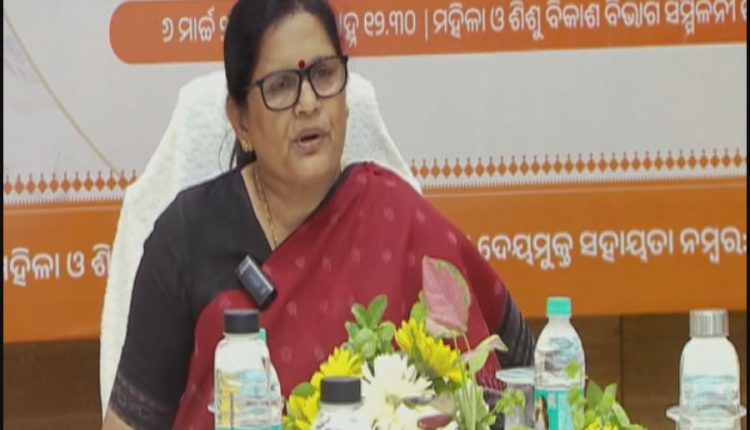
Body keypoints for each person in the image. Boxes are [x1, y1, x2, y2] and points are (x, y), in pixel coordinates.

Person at [101, 0, 535, 428]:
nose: (308, 103)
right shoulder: (187, 236)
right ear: (241, 121)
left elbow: (515, 367)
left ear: (346, 98)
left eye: (324, 74)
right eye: (281, 86)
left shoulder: (398, 219)